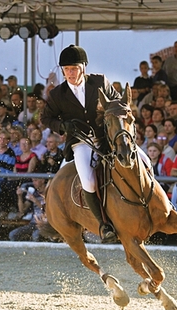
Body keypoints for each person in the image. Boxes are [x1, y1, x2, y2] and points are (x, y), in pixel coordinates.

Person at [41, 44, 125, 243]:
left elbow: (117, 101)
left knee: (140, 158)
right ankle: (104, 225)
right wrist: (62, 125)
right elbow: (46, 119)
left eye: (74, 68)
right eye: (67, 69)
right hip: (81, 142)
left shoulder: (99, 82)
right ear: (63, 71)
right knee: (88, 180)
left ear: (83, 68)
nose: (70, 73)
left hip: (107, 138)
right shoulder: (57, 94)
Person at [9, 176, 47, 242]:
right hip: (33, 224)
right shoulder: (34, 193)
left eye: (36, 180)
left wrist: (35, 201)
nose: (33, 183)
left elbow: (47, 209)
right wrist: (20, 196)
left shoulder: (49, 192)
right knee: (12, 234)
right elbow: (22, 210)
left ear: (43, 180)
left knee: (35, 235)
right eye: (33, 181)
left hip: (46, 225)